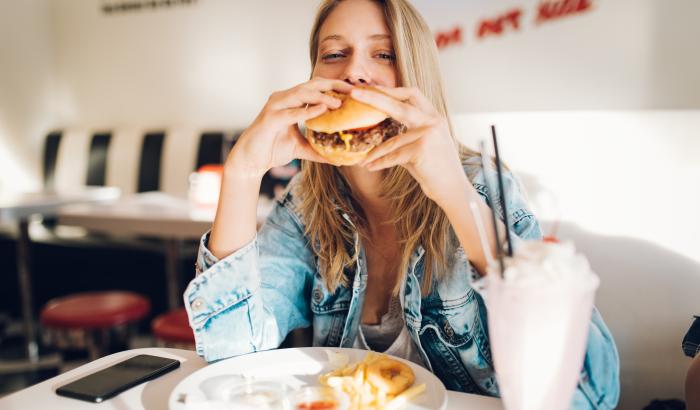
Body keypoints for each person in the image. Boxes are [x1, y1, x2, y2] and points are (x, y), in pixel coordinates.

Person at [184, 0, 620, 407]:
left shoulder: (482, 187)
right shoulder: (306, 203)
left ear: (415, 74)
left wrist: (454, 193)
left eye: (384, 55)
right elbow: (230, 355)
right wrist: (242, 171)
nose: (355, 71)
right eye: (334, 54)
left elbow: (588, 393)